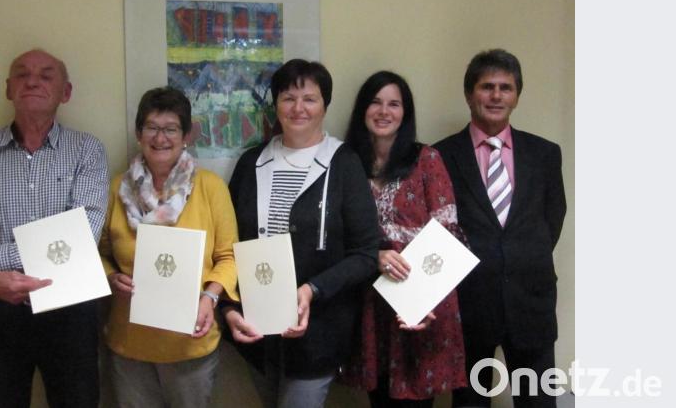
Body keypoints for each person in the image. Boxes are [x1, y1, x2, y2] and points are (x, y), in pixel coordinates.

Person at [222, 59, 380, 408]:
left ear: (325, 105)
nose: (298, 108)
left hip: (318, 331)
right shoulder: (251, 164)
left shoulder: (343, 164)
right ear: (275, 104)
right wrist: (229, 309)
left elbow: (367, 254)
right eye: (288, 97)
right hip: (257, 330)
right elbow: (227, 245)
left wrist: (312, 290)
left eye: (309, 98)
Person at [0, 49, 109, 408]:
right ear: (7, 89)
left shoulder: (87, 150)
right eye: (22, 74)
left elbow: (84, 236)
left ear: (66, 92)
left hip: (70, 309)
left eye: (46, 75)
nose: (32, 81)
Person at [433, 49, 567, 407]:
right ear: (469, 94)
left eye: (505, 88)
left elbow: (552, 219)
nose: (496, 95)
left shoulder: (545, 154)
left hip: (531, 303)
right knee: (471, 404)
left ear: (517, 96)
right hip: (469, 305)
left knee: (537, 401)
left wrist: (518, 256)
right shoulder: (440, 156)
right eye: (486, 86)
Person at [99, 86, 239, 408]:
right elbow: (99, 251)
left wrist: (211, 296)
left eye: (171, 128)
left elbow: (228, 256)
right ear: (138, 133)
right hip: (130, 343)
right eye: (152, 127)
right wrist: (110, 276)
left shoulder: (210, 188)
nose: (160, 137)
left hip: (190, 342)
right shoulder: (118, 188)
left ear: (185, 135)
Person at [339, 71, 468, 407]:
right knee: (379, 399)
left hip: (421, 303)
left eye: (394, 104)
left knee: (415, 401)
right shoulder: (345, 163)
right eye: (376, 102)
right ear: (362, 109)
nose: (384, 111)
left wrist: (421, 300)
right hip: (368, 303)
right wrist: (374, 257)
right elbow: (336, 233)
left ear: (405, 113)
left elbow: (448, 235)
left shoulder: (427, 160)